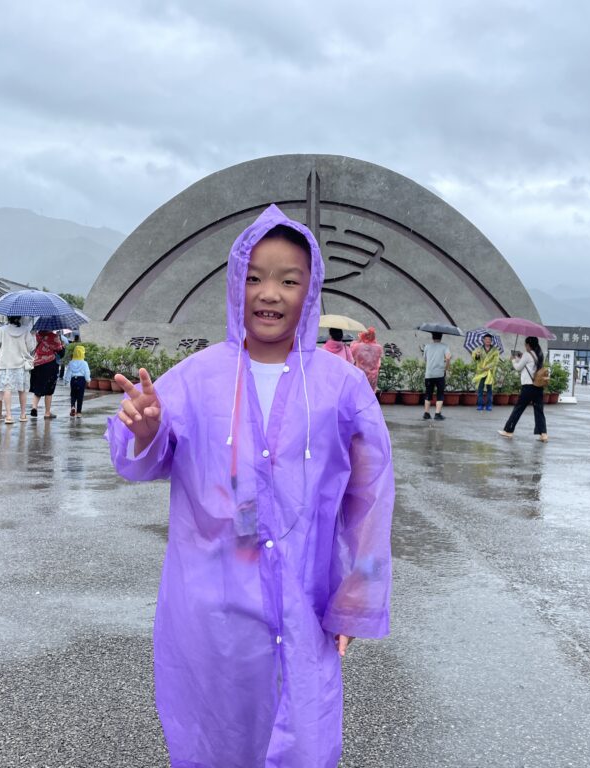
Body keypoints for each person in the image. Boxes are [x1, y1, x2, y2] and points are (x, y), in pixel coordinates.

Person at [105, 205, 393, 767]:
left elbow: (370, 494)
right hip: (213, 608)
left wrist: (356, 595)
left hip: (303, 603)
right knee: (217, 733)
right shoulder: (197, 377)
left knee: (304, 735)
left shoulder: (341, 387)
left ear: (311, 289)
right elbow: (142, 456)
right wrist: (144, 429)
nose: (269, 294)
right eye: (255, 277)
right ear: (236, 283)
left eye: (289, 280)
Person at [499, 336, 548, 442]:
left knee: (518, 409)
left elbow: (518, 368)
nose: (525, 346)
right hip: (538, 387)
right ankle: (543, 434)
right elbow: (530, 366)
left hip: (528, 387)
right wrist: (520, 358)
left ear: (528, 345)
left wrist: (513, 360)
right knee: (539, 410)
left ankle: (508, 431)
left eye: (525, 344)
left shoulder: (527, 354)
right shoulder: (539, 355)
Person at [0, 316, 36, 424]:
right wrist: (33, 336)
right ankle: (23, 415)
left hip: (6, 364)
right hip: (21, 364)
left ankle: (9, 416)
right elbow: (31, 347)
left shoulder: (3, 330)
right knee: (22, 389)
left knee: (7, 389)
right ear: (20, 318)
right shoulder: (25, 330)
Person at [29, 330, 64, 418]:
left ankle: (34, 407)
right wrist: (61, 344)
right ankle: (47, 413)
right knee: (49, 390)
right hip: (49, 365)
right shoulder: (54, 337)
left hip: (36, 364)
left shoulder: (36, 336)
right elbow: (60, 351)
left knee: (38, 387)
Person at [422, 332, 451, 420]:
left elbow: (425, 359)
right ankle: (437, 414)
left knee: (428, 393)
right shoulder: (444, 346)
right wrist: (446, 368)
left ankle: (426, 413)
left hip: (429, 374)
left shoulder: (427, 346)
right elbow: (448, 357)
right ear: (441, 337)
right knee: (440, 394)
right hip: (439, 374)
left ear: (432, 337)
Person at [470, 334, 499, 411]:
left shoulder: (495, 350)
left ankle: (489, 405)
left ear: (491, 341)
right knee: (480, 389)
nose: (488, 341)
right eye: (486, 339)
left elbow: (496, 361)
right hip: (481, 371)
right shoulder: (479, 349)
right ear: (483, 340)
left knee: (489, 389)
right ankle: (480, 405)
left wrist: (488, 367)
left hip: (490, 372)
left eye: (489, 340)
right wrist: (477, 355)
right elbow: (475, 358)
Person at [350, 326, 383, 390]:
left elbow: (352, 353)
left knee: (360, 392)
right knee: (370, 392)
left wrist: (359, 340)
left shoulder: (357, 347)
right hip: (373, 376)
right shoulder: (378, 348)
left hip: (360, 374)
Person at [63, 344, 91, 417]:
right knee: (80, 396)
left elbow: (68, 372)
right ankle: (79, 413)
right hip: (81, 380)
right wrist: (88, 380)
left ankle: (73, 406)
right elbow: (87, 372)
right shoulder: (84, 363)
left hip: (73, 380)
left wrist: (66, 381)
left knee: (73, 394)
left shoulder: (71, 362)